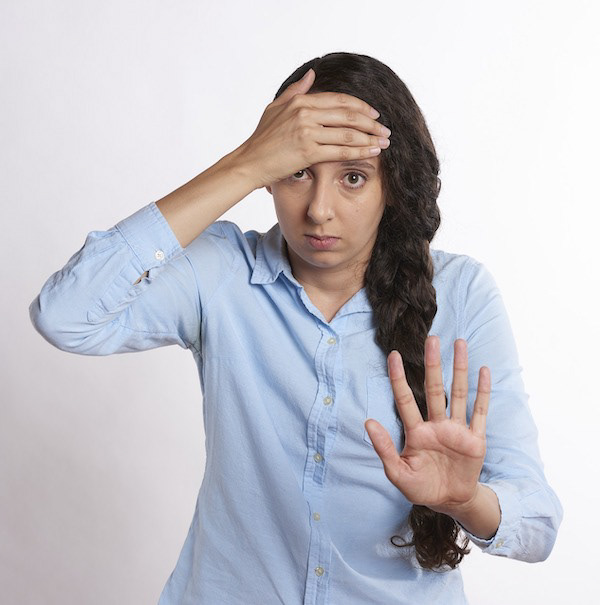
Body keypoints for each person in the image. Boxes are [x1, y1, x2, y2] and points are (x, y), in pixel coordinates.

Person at [29, 51, 563, 604]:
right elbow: (64, 315)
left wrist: (463, 500)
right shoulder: (222, 272)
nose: (318, 210)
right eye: (297, 172)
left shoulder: (461, 293)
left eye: (353, 178)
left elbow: (537, 523)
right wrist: (244, 164)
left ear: (393, 185)